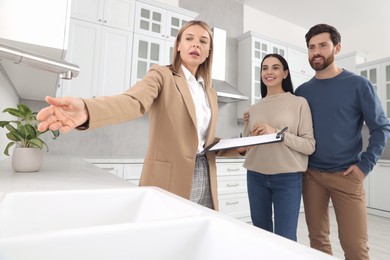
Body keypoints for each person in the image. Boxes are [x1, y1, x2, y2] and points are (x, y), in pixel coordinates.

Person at [37, 20, 223, 210]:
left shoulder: (210, 92)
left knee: (201, 235)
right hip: (172, 177)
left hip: (206, 175)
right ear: (178, 45)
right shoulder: (162, 75)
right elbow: (132, 101)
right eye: (189, 38)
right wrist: (87, 109)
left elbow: (202, 140)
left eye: (203, 41)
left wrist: (239, 148)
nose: (195, 44)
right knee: (166, 235)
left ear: (209, 51)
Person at [295, 24, 390, 260]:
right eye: (311, 47)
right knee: (317, 241)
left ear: (337, 48)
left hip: (347, 176)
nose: (316, 52)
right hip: (311, 176)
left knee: (355, 247)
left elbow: (381, 127)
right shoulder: (302, 91)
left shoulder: (359, 85)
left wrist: (364, 166)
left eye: (322, 45)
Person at [239, 53, 315, 241]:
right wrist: (245, 131)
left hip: (287, 178)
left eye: (275, 67)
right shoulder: (254, 108)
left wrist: (277, 134)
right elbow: (247, 146)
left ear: (285, 73)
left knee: (286, 238)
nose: (269, 72)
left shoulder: (299, 103)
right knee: (260, 235)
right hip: (255, 176)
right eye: (265, 68)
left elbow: (309, 145)